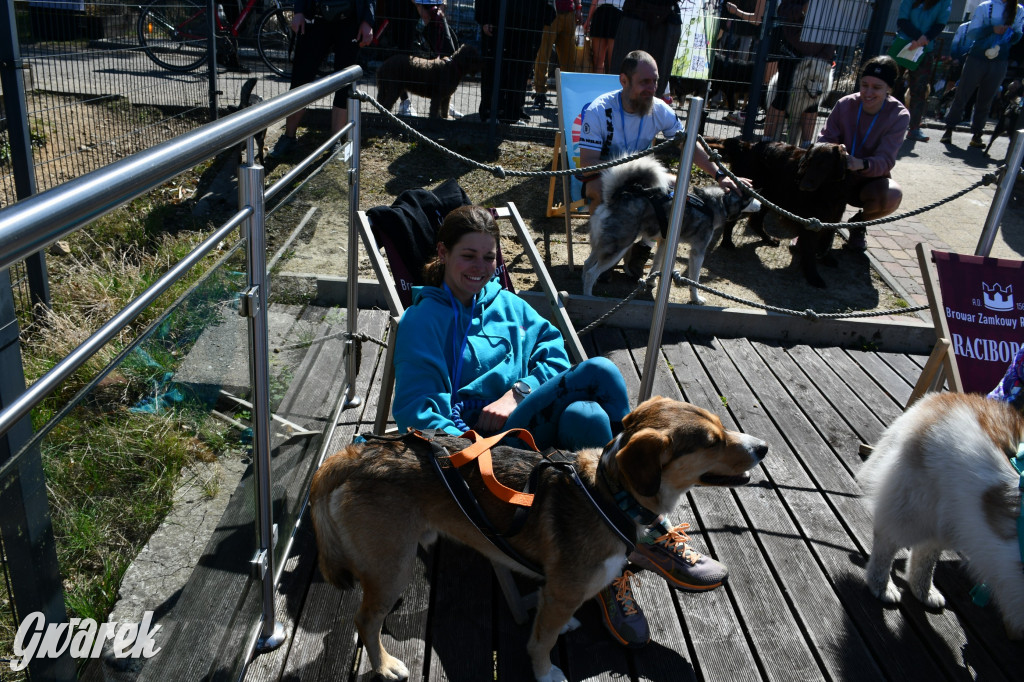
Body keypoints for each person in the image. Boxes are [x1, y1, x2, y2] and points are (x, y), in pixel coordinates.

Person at [393, 204, 729, 648]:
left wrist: (515, 392)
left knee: (588, 415)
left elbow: (552, 352)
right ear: (443, 252)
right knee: (601, 373)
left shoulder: (506, 303)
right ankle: (640, 526)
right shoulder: (424, 320)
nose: (480, 268)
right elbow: (418, 412)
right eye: (468, 256)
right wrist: (471, 441)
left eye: (489, 257)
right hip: (479, 446)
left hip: (520, 417)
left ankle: (622, 544)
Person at [577, 50, 746, 277]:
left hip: (642, 177)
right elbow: (587, 162)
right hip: (607, 177)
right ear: (624, 81)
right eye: (644, 82)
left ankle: (642, 249)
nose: (651, 88)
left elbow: (688, 145)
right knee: (597, 189)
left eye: (655, 82)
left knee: (680, 188)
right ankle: (604, 250)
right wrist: (623, 173)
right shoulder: (599, 109)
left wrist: (719, 175)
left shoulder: (659, 109)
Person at [817, 56, 910, 252]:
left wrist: (861, 164)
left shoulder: (899, 115)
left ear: (889, 89)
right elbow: (825, 139)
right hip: (837, 172)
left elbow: (886, 160)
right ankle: (812, 226)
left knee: (892, 195)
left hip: (868, 178)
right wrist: (838, 156)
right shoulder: (845, 104)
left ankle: (858, 224)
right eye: (864, 85)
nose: (868, 92)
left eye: (876, 87)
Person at [267, 0, 375, 159]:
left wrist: (367, 21)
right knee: (300, 81)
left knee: (344, 83)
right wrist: (298, 11)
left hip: (349, 20)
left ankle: (335, 141)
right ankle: (288, 137)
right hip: (315, 18)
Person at [940, 0, 1024, 147]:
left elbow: (1018, 36)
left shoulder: (1019, 10)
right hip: (977, 57)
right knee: (963, 93)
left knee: (986, 98)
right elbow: (972, 33)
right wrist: (992, 29)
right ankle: (949, 129)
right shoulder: (985, 7)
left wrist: (1011, 33)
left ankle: (977, 133)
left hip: (1000, 59)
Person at [763, 0, 835, 143]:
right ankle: (766, 141)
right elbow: (782, 10)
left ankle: (806, 145)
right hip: (791, 53)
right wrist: (803, 8)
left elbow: (837, 28)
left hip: (819, 57)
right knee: (781, 97)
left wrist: (823, 58)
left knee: (812, 102)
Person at [475, 0, 548, 123]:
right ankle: (490, 112)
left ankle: (514, 112)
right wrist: (484, 19)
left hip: (527, 21)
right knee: (494, 67)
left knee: (520, 68)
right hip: (499, 18)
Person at [894, 0, 953, 143]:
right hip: (904, 44)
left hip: (925, 48)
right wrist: (917, 37)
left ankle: (914, 128)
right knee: (892, 83)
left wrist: (924, 39)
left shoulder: (945, 2)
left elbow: (940, 23)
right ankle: (886, 121)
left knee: (919, 90)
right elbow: (902, 19)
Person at [610, 0, 682, 100]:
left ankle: (650, 108)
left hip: (667, 18)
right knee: (624, 71)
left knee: (657, 82)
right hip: (635, 14)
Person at [533, 0, 583, 108]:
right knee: (543, 55)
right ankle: (540, 92)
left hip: (568, 13)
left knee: (569, 59)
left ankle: (567, 96)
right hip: (551, 12)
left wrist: (578, 8)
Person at [584, 0, 625, 74]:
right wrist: (588, 19)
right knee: (597, 59)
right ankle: (598, 84)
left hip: (618, 13)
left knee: (613, 61)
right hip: (600, 12)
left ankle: (612, 84)